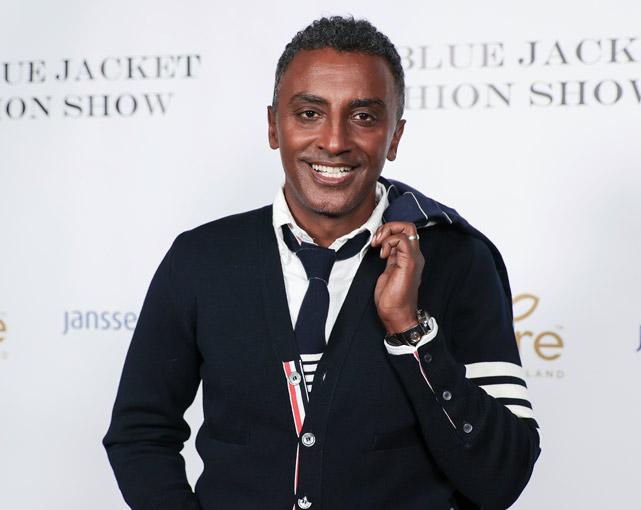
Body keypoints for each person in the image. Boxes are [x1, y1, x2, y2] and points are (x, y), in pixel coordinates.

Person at [103, 16, 541, 510]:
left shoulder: (459, 260)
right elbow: (140, 434)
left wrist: (409, 330)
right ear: (274, 126)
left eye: (364, 116)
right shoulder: (200, 259)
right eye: (309, 113)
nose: (334, 141)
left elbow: (502, 476)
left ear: (395, 137)